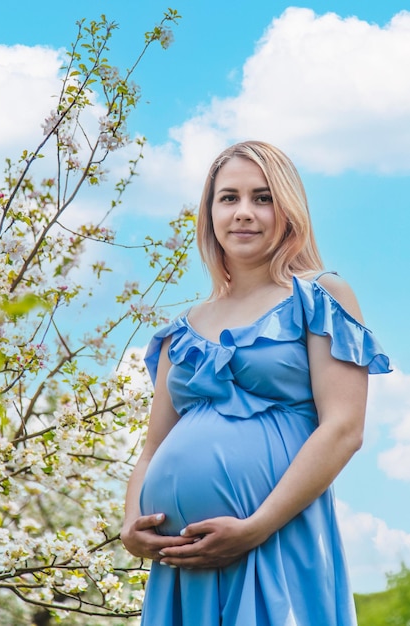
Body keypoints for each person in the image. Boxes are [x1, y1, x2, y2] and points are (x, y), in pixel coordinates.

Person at [121, 140, 391, 625]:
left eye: (262, 197)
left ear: (288, 209)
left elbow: (343, 429)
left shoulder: (319, 297)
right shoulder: (181, 329)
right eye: (229, 198)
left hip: (275, 537)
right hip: (184, 563)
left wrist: (254, 527)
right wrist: (129, 526)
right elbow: (153, 447)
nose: (244, 212)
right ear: (209, 214)